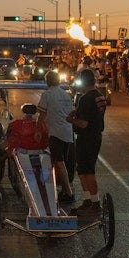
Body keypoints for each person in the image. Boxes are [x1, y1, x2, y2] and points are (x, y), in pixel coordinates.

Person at [67, 68, 107, 216]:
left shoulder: (85, 99)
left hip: (86, 138)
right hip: (96, 136)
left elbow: (84, 123)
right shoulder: (100, 96)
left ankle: (95, 203)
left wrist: (71, 120)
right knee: (83, 169)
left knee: (88, 170)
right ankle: (87, 200)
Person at [37, 71, 76, 203]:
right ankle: (64, 190)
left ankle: (69, 193)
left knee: (59, 162)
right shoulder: (66, 95)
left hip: (55, 132)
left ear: (47, 81)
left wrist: (38, 130)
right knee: (62, 161)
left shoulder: (47, 94)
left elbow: (42, 115)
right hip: (68, 132)